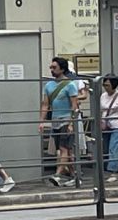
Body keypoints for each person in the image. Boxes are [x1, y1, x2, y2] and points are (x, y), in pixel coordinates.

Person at [39, 57, 79, 187]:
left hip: (66, 120)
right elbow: (45, 104)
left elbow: (74, 105)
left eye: (54, 67)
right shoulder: (49, 85)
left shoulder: (70, 85)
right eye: (51, 67)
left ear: (62, 69)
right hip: (55, 120)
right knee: (66, 151)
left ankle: (57, 175)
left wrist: (72, 123)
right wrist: (41, 121)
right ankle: (75, 176)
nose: (51, 69)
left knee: (63, 148)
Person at [99, 75, 118, 182]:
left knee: (113, 148)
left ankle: (114, 172)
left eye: (107, 85)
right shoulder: (103, 96)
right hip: (105, 126)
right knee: (107, 149)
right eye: (104, 85)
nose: (105, 87)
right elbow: (101, 110)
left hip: (117, 126)